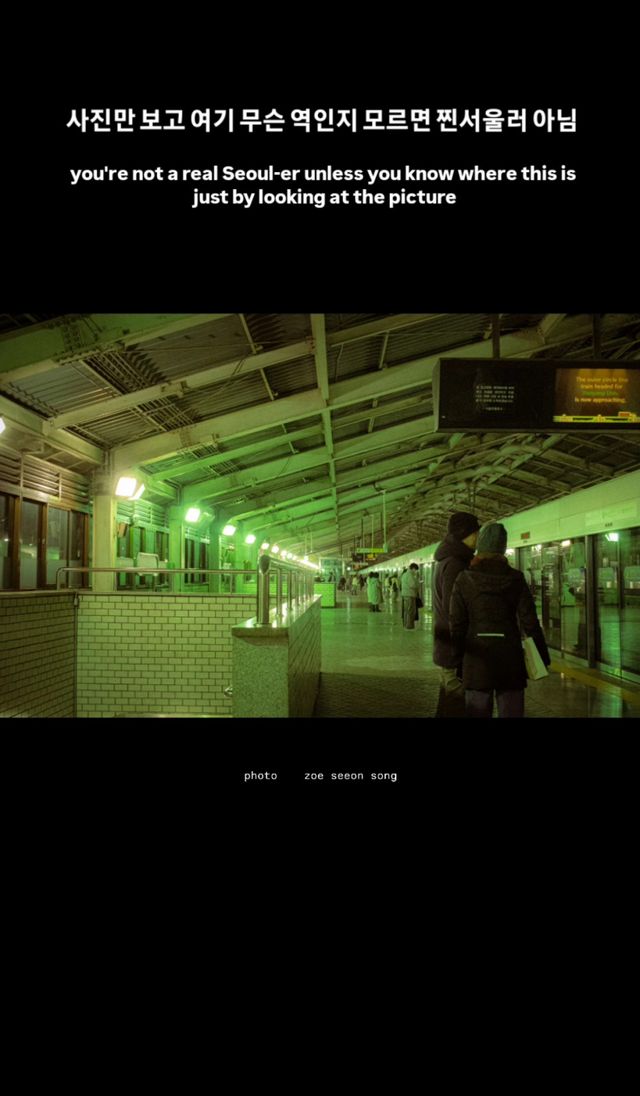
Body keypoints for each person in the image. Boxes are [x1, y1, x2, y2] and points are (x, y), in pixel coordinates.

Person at [449, 522, 551, 718]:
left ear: (480, 547)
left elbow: (457, 624)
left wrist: (457, 659)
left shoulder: (464, 579)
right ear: (503, 548)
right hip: (510, 657)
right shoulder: (516, 578)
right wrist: (542, 656)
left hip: (476, 659)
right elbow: (530, 622)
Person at [432, 511, 481, 716]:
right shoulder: (455, 564)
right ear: (465, 534)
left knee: (448, 700)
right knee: (456, 702)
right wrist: (460, 649)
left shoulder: (447, 560)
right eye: (475, 533)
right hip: (453, 646)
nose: (477, 537)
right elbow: (454, 610)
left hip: (447, 643)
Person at [401, 563, 420, 629]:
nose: (415, 571)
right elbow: (412, 585)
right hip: (410, 594)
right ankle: (409, 625)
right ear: (413, 568)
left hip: (405, 594)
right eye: (415, 570)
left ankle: (406, 624)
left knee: (406, 610)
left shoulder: (404, 574)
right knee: (410, 611)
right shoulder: (409, 575)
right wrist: (418, 583)